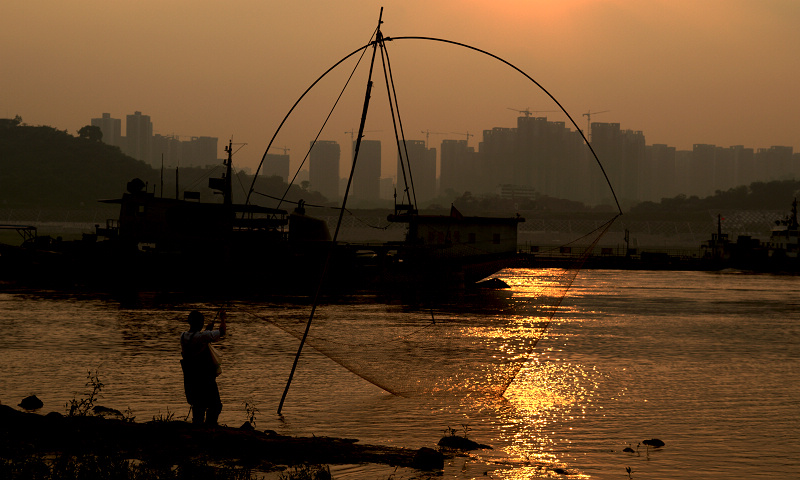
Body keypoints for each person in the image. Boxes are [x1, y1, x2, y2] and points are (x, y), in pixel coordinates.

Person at [180, 309, 226, 425]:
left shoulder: (183, 336)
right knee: (216, 405)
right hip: (205, 377)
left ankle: (198, 426)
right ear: (200, 323)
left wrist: (207, 330)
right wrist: (223, 318)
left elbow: (198, 340)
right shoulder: (202, 337)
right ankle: (210, 427)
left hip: (191, 376)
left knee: (198, 404)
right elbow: (222, 331)